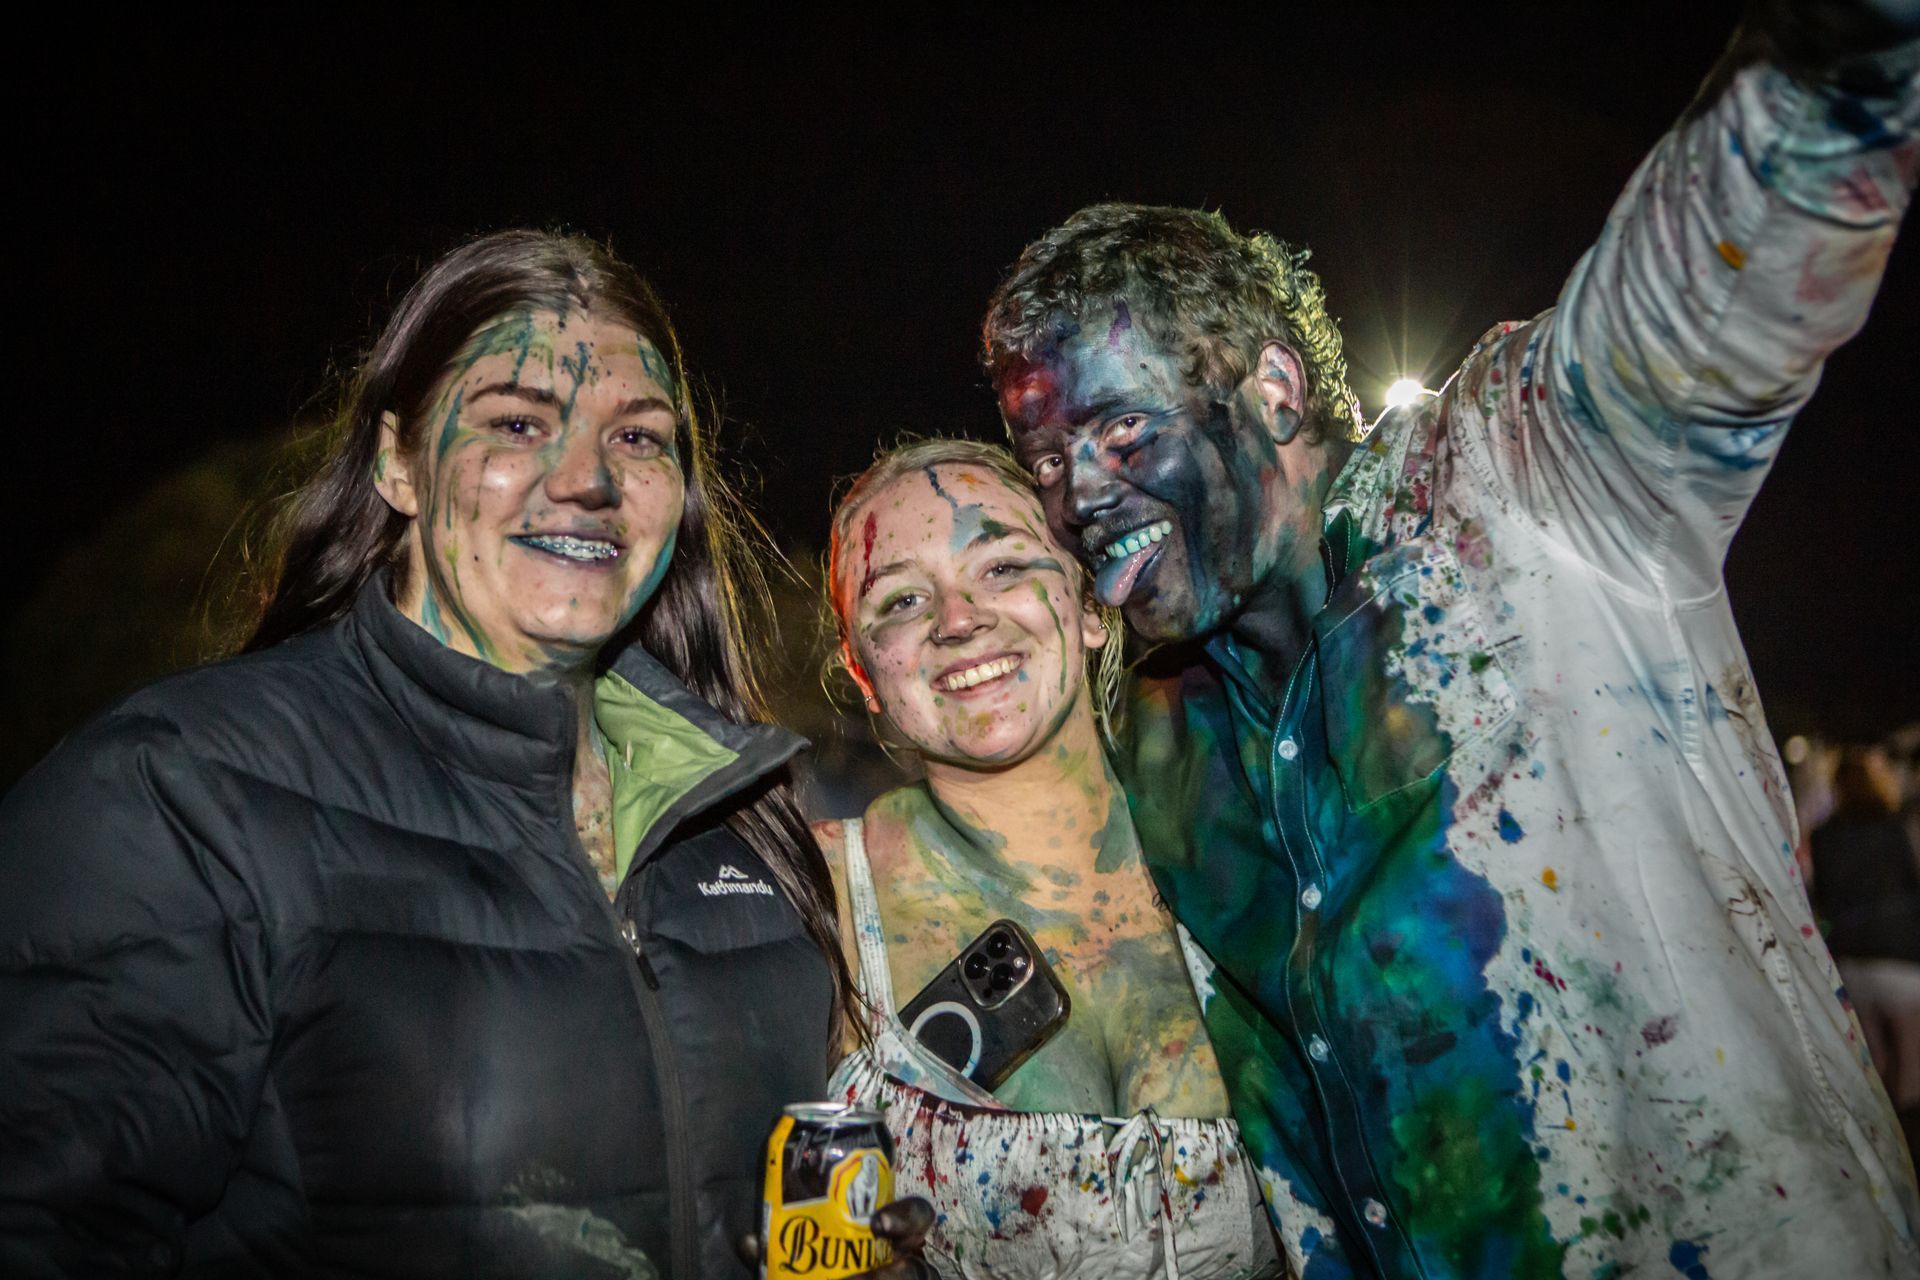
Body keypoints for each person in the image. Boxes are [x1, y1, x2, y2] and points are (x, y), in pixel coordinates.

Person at [982, 8, 1920, 1279]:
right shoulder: (1158, 738)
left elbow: (1720, 256)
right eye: (1045, 457)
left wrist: (1841, 49)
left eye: (1124, 432)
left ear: (1273, 388)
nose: (1075, 494)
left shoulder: (1520, 476)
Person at [0, 230, 924, 1279]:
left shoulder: (747, 827)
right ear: (397, 458)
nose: (584, 480)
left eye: (639, 438)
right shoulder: (179, 793)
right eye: (517, 423)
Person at [816, 438, 1282, 1278]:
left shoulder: (1259, 849)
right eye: (902, 601)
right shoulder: (813, 904)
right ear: (864, 673)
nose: (959, 621)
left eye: (1000, 568)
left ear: (1090, 606)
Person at [1811, 745, 1920, 1139]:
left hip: (1850, 952)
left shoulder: (1824, 837)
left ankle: (1879, 1135)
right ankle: (1908, 1138)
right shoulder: (1893, 830)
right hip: (1900, 951)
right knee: (1911, 1055)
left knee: (1870, 1054)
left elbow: (1821, 892)